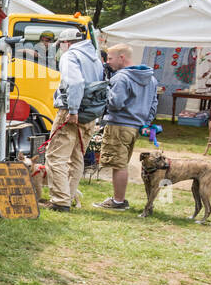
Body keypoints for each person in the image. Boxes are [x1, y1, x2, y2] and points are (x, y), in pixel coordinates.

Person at [44, 28, 103, 211]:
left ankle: (60, 201)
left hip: (72, 112)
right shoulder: (94, 57)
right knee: (76, 156)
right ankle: (67, 197)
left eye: (60, 45)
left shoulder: (70, 56)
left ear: (65, 43)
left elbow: (75, 83)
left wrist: (73, 109)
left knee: (55, 156)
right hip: (90, 114)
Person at [94, 44, 158, 211]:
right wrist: (145, 122)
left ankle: (118, 201)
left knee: (119, 165)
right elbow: (153, 105)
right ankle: (119, 199)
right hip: (135, 126)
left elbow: (115, 104)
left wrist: (105, 91)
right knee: (122, 163)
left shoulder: (121, 77)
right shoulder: (150, 78)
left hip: (119, 124)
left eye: (110, 58)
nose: (108, 62)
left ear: (121, 57)